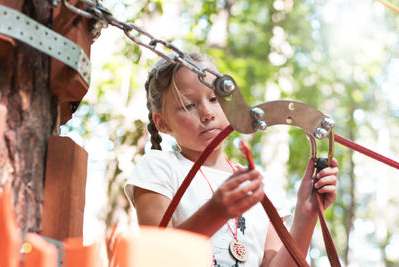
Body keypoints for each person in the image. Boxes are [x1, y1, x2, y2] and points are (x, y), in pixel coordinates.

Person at [124, 53, 339, 267]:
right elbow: (156, 258)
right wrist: (215, 212)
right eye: (189, 105)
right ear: (163, 123)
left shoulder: (261, 183)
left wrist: (306, 213)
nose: (207, 113)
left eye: (214, 99)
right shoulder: (159, 167)